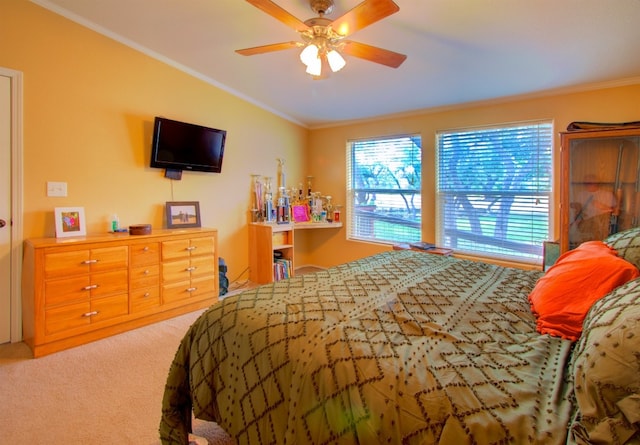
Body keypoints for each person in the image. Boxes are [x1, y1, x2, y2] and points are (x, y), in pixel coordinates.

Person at [570, 174, 617, 247]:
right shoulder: (582, 194)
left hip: (602, 226)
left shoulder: (607, 195)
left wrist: (603, 206)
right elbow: (578, 210)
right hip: (586, 225)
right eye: (586, 183)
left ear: (597, 183)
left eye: (590, 183)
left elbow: (616, 212)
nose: (588, 185)